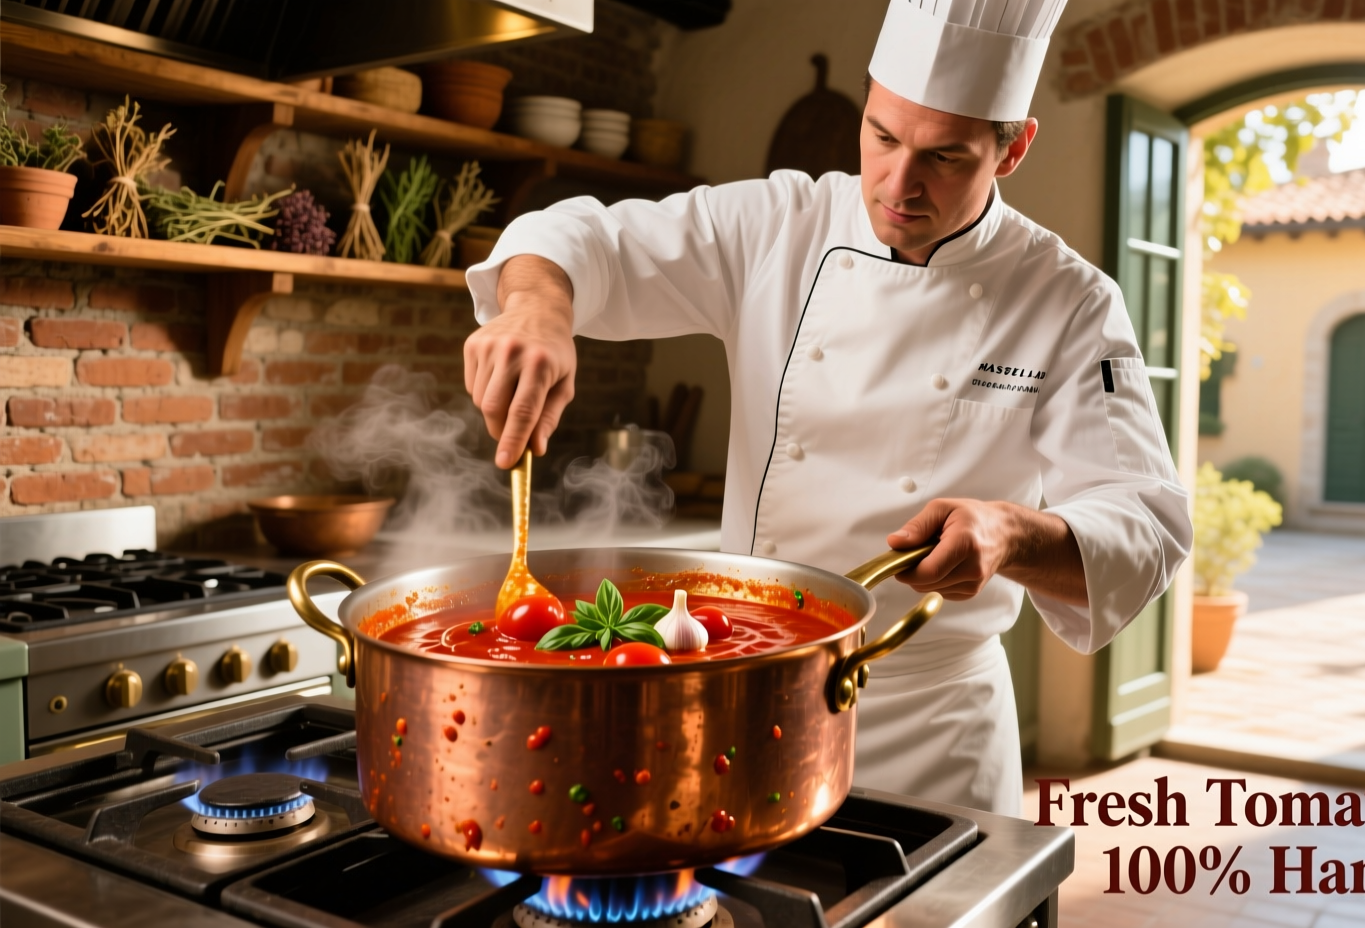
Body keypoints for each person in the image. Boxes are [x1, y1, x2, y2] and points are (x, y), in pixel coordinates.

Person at [463, 0, 1190, 816]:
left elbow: (1148, 523)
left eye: (944, 157)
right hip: (744, 695)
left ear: (1013, 147)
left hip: (931, 731)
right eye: (882, 137)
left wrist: (1011, 534)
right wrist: (535, 309)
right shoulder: (782, 223)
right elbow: (578, 236)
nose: (898, 185)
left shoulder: (1069, 301)